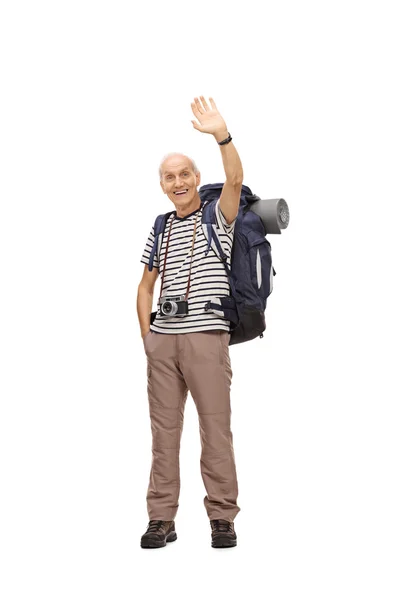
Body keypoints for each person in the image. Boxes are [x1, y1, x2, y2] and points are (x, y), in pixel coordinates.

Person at [137, 96, 244, 549]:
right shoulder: (160, 226)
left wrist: (222, 135)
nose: (178, 181)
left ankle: (223, 517)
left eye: (185, 174)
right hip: (164, 344)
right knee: (164, 436)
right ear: (162, 184)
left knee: (215, 429)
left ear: (197, 180)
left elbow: (236, 179)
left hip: (205, 339)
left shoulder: (216, 217)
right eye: (169, 176)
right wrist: (149, 338)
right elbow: (144, 287)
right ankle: (162, 519)